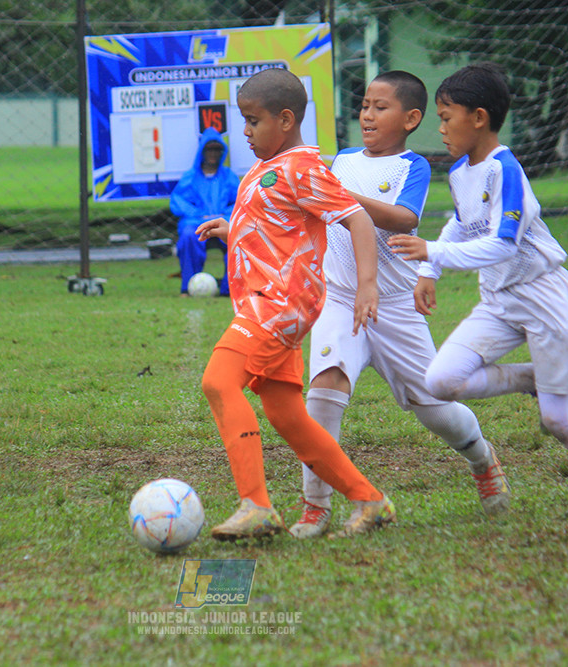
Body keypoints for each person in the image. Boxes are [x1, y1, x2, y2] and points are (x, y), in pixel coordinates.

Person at [387, 62, 568, 537]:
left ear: (479, 117)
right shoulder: (463, 172)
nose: (440, 128)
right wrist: (430, 269)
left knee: (557, 419)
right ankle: (533, 377)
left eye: (447, 117)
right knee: (441, 380)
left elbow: (503, 244)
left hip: (544, 298)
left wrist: (433, 251)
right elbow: (461, 224)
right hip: (499, 300)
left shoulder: (505, 170)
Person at [289, 71, 509, 539]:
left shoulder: (414, 167)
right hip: (340, 299)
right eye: (365, 105)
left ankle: (481, 458)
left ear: (411, 119)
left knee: (435, 407)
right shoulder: (341, 160)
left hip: (394, 306)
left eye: (380, 107)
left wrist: (338, 196)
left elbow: (404, 218)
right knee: (323, 393)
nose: (367, 115)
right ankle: (315, 507)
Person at [195, 67, 394, 541]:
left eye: (252, 121)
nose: (244, 132)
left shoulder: (303, 167)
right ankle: (370, 500)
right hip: (267, 306)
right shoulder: (271, 167)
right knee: (287, 415)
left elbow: (359, 221)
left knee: (219, 383)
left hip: (279, 305)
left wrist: (368, 285)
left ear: (285, 120)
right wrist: (234, 229)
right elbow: (279, 222)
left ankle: (256, 507)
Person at [170, 127, 238, 296]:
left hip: (223, 221)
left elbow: (240, 202)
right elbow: (178, 201)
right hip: (196, 223)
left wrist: (222, 215)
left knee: (238, 235)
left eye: (217, 149)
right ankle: (189, 287)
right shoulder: (190, 177)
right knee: (187, 236)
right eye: (209, 149)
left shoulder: (229, 176)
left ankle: (230, 289)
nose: (213, 153)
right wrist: (198, 215)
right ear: (202, 151)